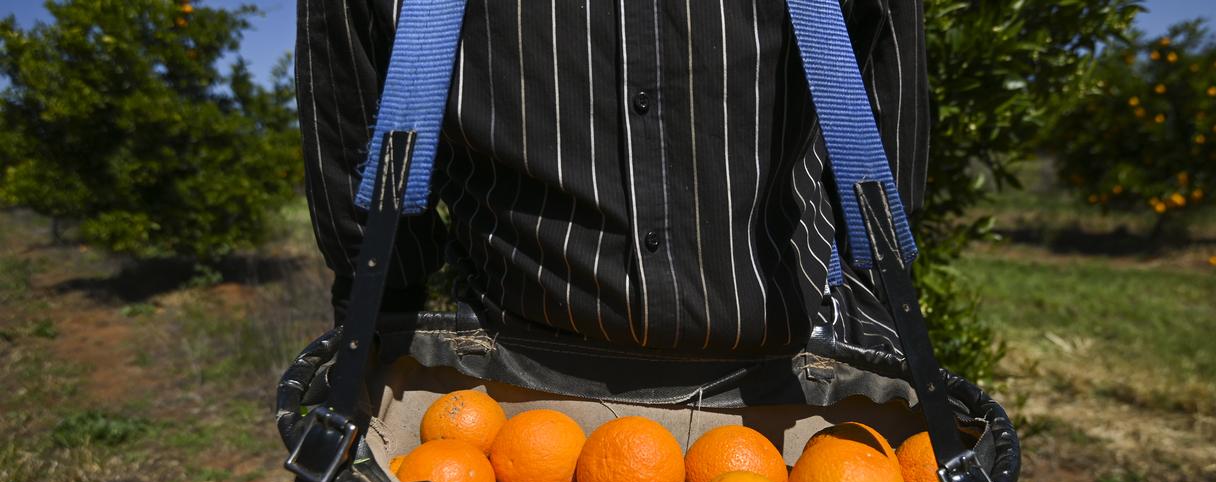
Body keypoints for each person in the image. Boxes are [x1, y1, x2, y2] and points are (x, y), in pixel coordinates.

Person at [297, 0, 928, 354]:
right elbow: (354, 138)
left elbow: (884, 118)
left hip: (797, 374)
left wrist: (871, 335)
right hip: (512, 401)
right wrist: (381, 341)